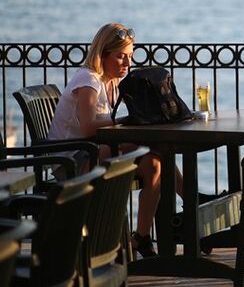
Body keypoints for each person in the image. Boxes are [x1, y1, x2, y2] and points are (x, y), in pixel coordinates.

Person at [48, 23, 185, 258]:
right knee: (155, 148)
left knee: (154, 163)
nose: (127, 64)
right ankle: (193, 202)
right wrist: (127, 119)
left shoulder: (113, 83)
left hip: (98, 151)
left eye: (130, 57)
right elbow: (89, 126)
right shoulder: (88, 80)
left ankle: (141, 238)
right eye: (121, 57)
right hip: (73, 159)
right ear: (102, 55)